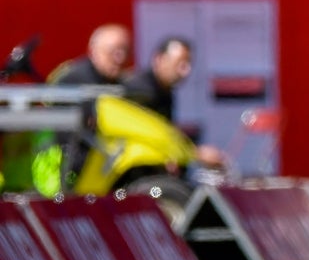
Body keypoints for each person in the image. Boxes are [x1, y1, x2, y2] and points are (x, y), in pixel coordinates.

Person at [122, 36, 225, 168]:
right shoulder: (140, 91)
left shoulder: (165, 90)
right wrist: (196, 153)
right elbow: (151, 136)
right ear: (159, 60)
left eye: (188, 64)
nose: (186, 71)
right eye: (180, 64)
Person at [47, 23, 131, 85]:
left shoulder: (127, 82)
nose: (121, 59)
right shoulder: (74, 80)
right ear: (94, 52)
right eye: (112, 52)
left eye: (126, 51)